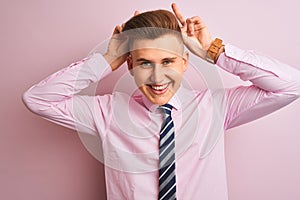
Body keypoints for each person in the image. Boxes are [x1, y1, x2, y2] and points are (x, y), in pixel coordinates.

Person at [22, 3, 300, 200]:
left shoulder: (216, 108)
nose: (157, 76)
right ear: (129, 65)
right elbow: (37, 99)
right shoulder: (107, 112)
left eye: (167, 61)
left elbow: (290, 85)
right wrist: (106, 60)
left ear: (185, 61)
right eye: (144, 63)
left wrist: (215, 50)